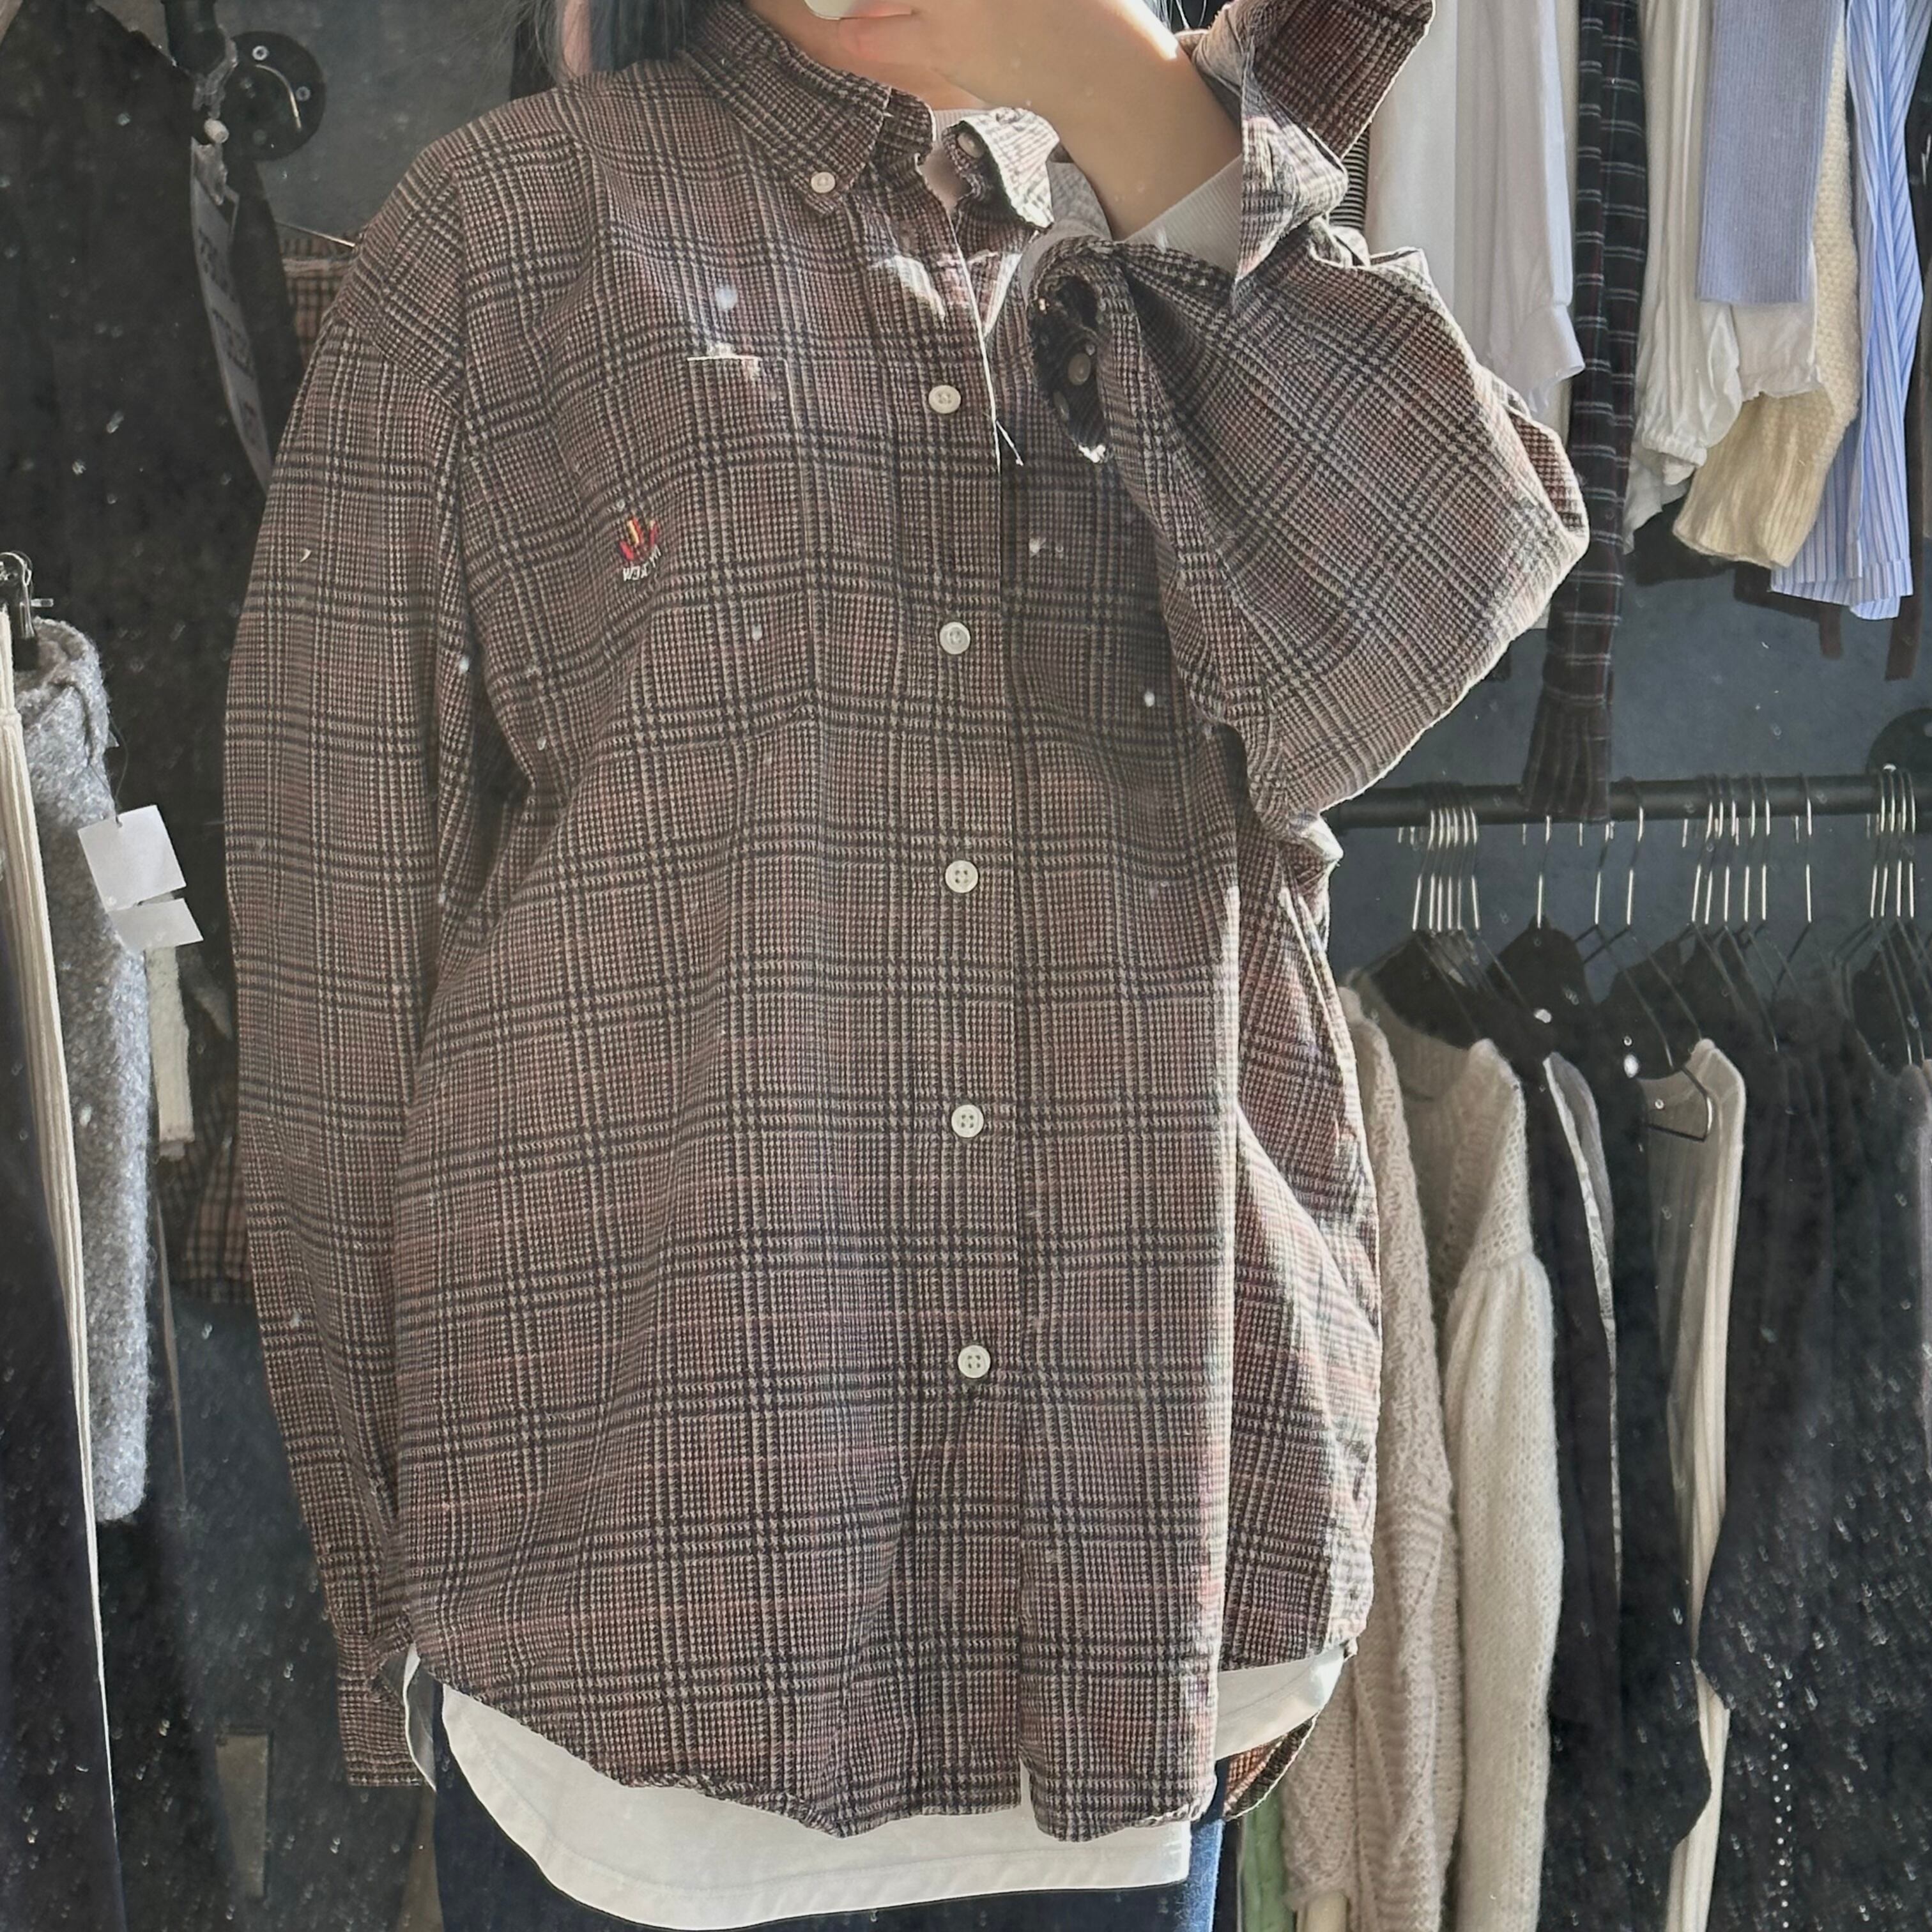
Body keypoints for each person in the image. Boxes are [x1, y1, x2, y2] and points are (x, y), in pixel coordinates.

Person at [224, 0, 1588, 1926]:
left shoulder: (1194, 237)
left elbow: (1434, 611)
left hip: (1124, 1623)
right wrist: (386, 1616)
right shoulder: (508, 237)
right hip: (636, 1651)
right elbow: (339, 956)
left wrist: (1124, 101)